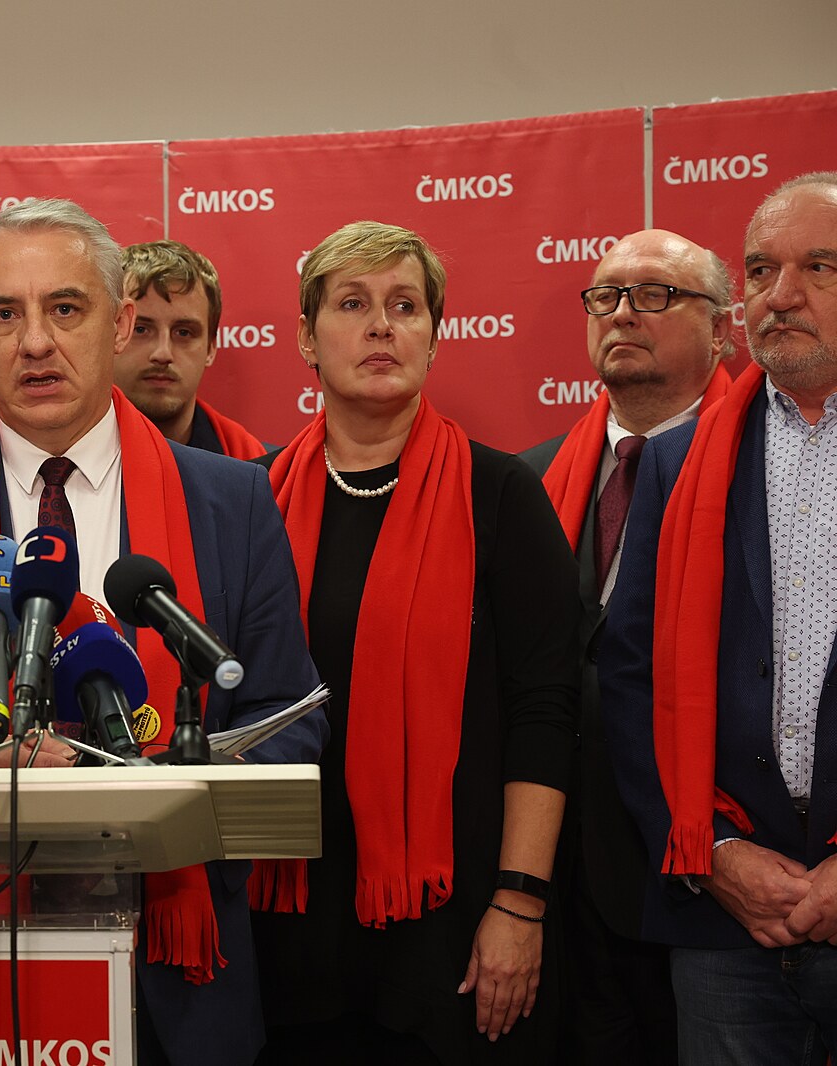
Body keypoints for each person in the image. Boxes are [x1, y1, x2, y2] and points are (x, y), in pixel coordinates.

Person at [0, 198, 327, 1066]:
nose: (34, 342)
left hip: (171, 985)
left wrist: (161, 779)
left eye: (65, 308)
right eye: (3, 315)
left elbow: (290, 716)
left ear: (120, 323)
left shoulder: (235, 500)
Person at [249, 220, 579, 1064]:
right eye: (352, 304)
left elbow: (546, 712)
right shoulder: (253, 499)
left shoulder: (501, 493)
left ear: (434, 335)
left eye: (405, 306)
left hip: (456, 922)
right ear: (306, 339)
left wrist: (520, 902)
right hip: (294, 917)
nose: (381, 327)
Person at [601, 172, 837, 1064]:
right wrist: (714, 852)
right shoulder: (679, 463)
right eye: (762, 271)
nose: (782, 295)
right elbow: (629, 677)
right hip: (724, 917)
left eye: (818, 267)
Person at [518, 229, 734, 1065]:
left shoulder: (758, 468)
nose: (621, 314)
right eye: (605, 296)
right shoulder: (533, 479)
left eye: (655, 295)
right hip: (560, 872)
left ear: (722, 329)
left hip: (706, 874)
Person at [115, 239, 266, 457]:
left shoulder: (252, 463)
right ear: (110, 336)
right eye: (140, 329)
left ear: (211, 347)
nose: (162, 353)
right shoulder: (64, 457)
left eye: (184, 333)